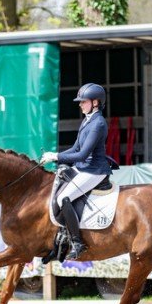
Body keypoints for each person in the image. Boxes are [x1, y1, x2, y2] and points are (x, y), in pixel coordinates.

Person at [40, 83, 112, 259]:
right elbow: (74, 148)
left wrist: (56, 157)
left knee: (64, 198)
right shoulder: (87, 120)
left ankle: (77, 242)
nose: (80, 104)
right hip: (83, 167)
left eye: (83, 101)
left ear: (95, 103)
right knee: (56, 191)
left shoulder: (98, 124)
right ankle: (60, 240)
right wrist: (54, 155)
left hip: (94, 170)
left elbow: (82, 154)